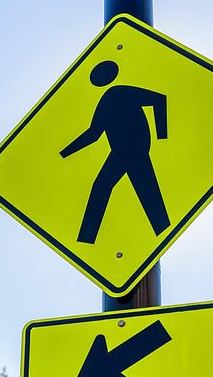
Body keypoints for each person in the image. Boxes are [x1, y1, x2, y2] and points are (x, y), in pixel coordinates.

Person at [60, 60, 170, 244]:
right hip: (126, 150)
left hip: (132, 148)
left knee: (103, 186)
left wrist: (162, 137)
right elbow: (94, 134)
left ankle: (86, 239)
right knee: (146, 191)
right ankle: (87, 240)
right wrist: (64, 153)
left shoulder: (119, 92)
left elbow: (159, 100)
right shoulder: (107, 99)